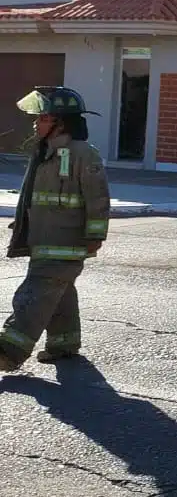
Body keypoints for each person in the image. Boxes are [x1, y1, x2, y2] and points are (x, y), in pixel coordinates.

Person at [2, 87, 110, 370]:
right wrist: (26, 221)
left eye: (43, 118)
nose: (36, 123)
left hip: (66, 244)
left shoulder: (83, 154)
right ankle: (64, 343)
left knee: (33, 296)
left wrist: (95, 235)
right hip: (45, 240)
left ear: (60, 123)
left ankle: (8, 351)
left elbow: (98, 198)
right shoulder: (45, 153)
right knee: (59, 292)